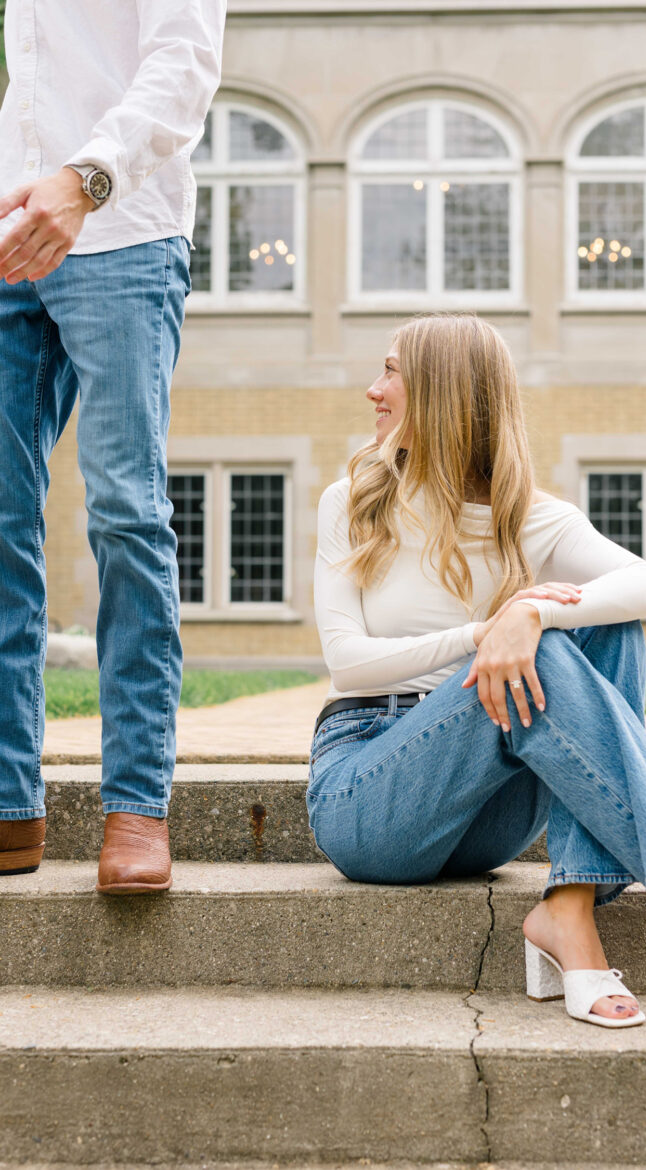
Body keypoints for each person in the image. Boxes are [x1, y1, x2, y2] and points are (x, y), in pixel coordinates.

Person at [307, 313, 646, 1026]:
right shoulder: (355, 500)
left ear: (442, 393)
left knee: (600, 621)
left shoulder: (529, 515)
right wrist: (486, 629)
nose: (373, 391)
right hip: (370, 795)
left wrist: (531, 615)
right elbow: (347, 664)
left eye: (392, 373)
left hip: (488, 816)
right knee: (547, 635)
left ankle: (569, 903)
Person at [0, 1, 226, 892]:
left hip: (121, 231)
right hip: (13, 229)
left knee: (127, 513)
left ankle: (136, 807)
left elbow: (184, 64)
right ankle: (10, 800)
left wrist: (83, 180)